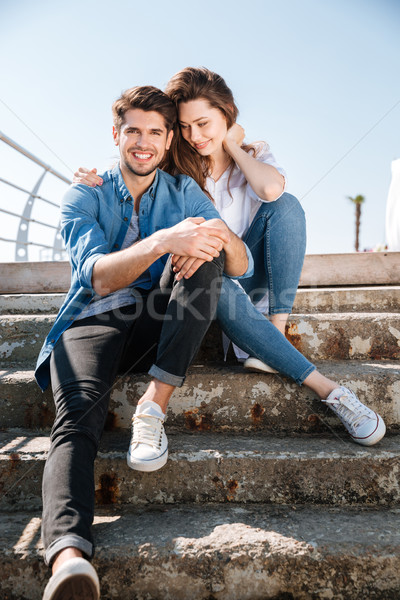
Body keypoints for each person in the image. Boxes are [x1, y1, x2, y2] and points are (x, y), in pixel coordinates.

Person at [75, 67, 386, 453]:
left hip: (248, 273)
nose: (195, 136)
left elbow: (270, 190)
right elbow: (136, 166)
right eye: (186, 126)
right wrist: (98, 181)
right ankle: (332, 391)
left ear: (227, 114)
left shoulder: (253, 154)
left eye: (205, 123)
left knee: (285, 205)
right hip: (200, 285)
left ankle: (276, 331)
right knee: (210, 261)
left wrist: (235, 146)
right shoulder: (175, 167)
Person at [35, 85, 251, 600]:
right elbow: (98, 278)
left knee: (209, 252)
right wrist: (163, 240)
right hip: (92, 318)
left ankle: (154, 405)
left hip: (156, 319)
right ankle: (69, 559)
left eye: (156, 131)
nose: (144, 142)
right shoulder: (84, 193)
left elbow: (241, 265)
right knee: (76, 417)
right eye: (133, 130)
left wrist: (212, 236)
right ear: (117, 134)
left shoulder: (183, 190)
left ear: (168, 137)